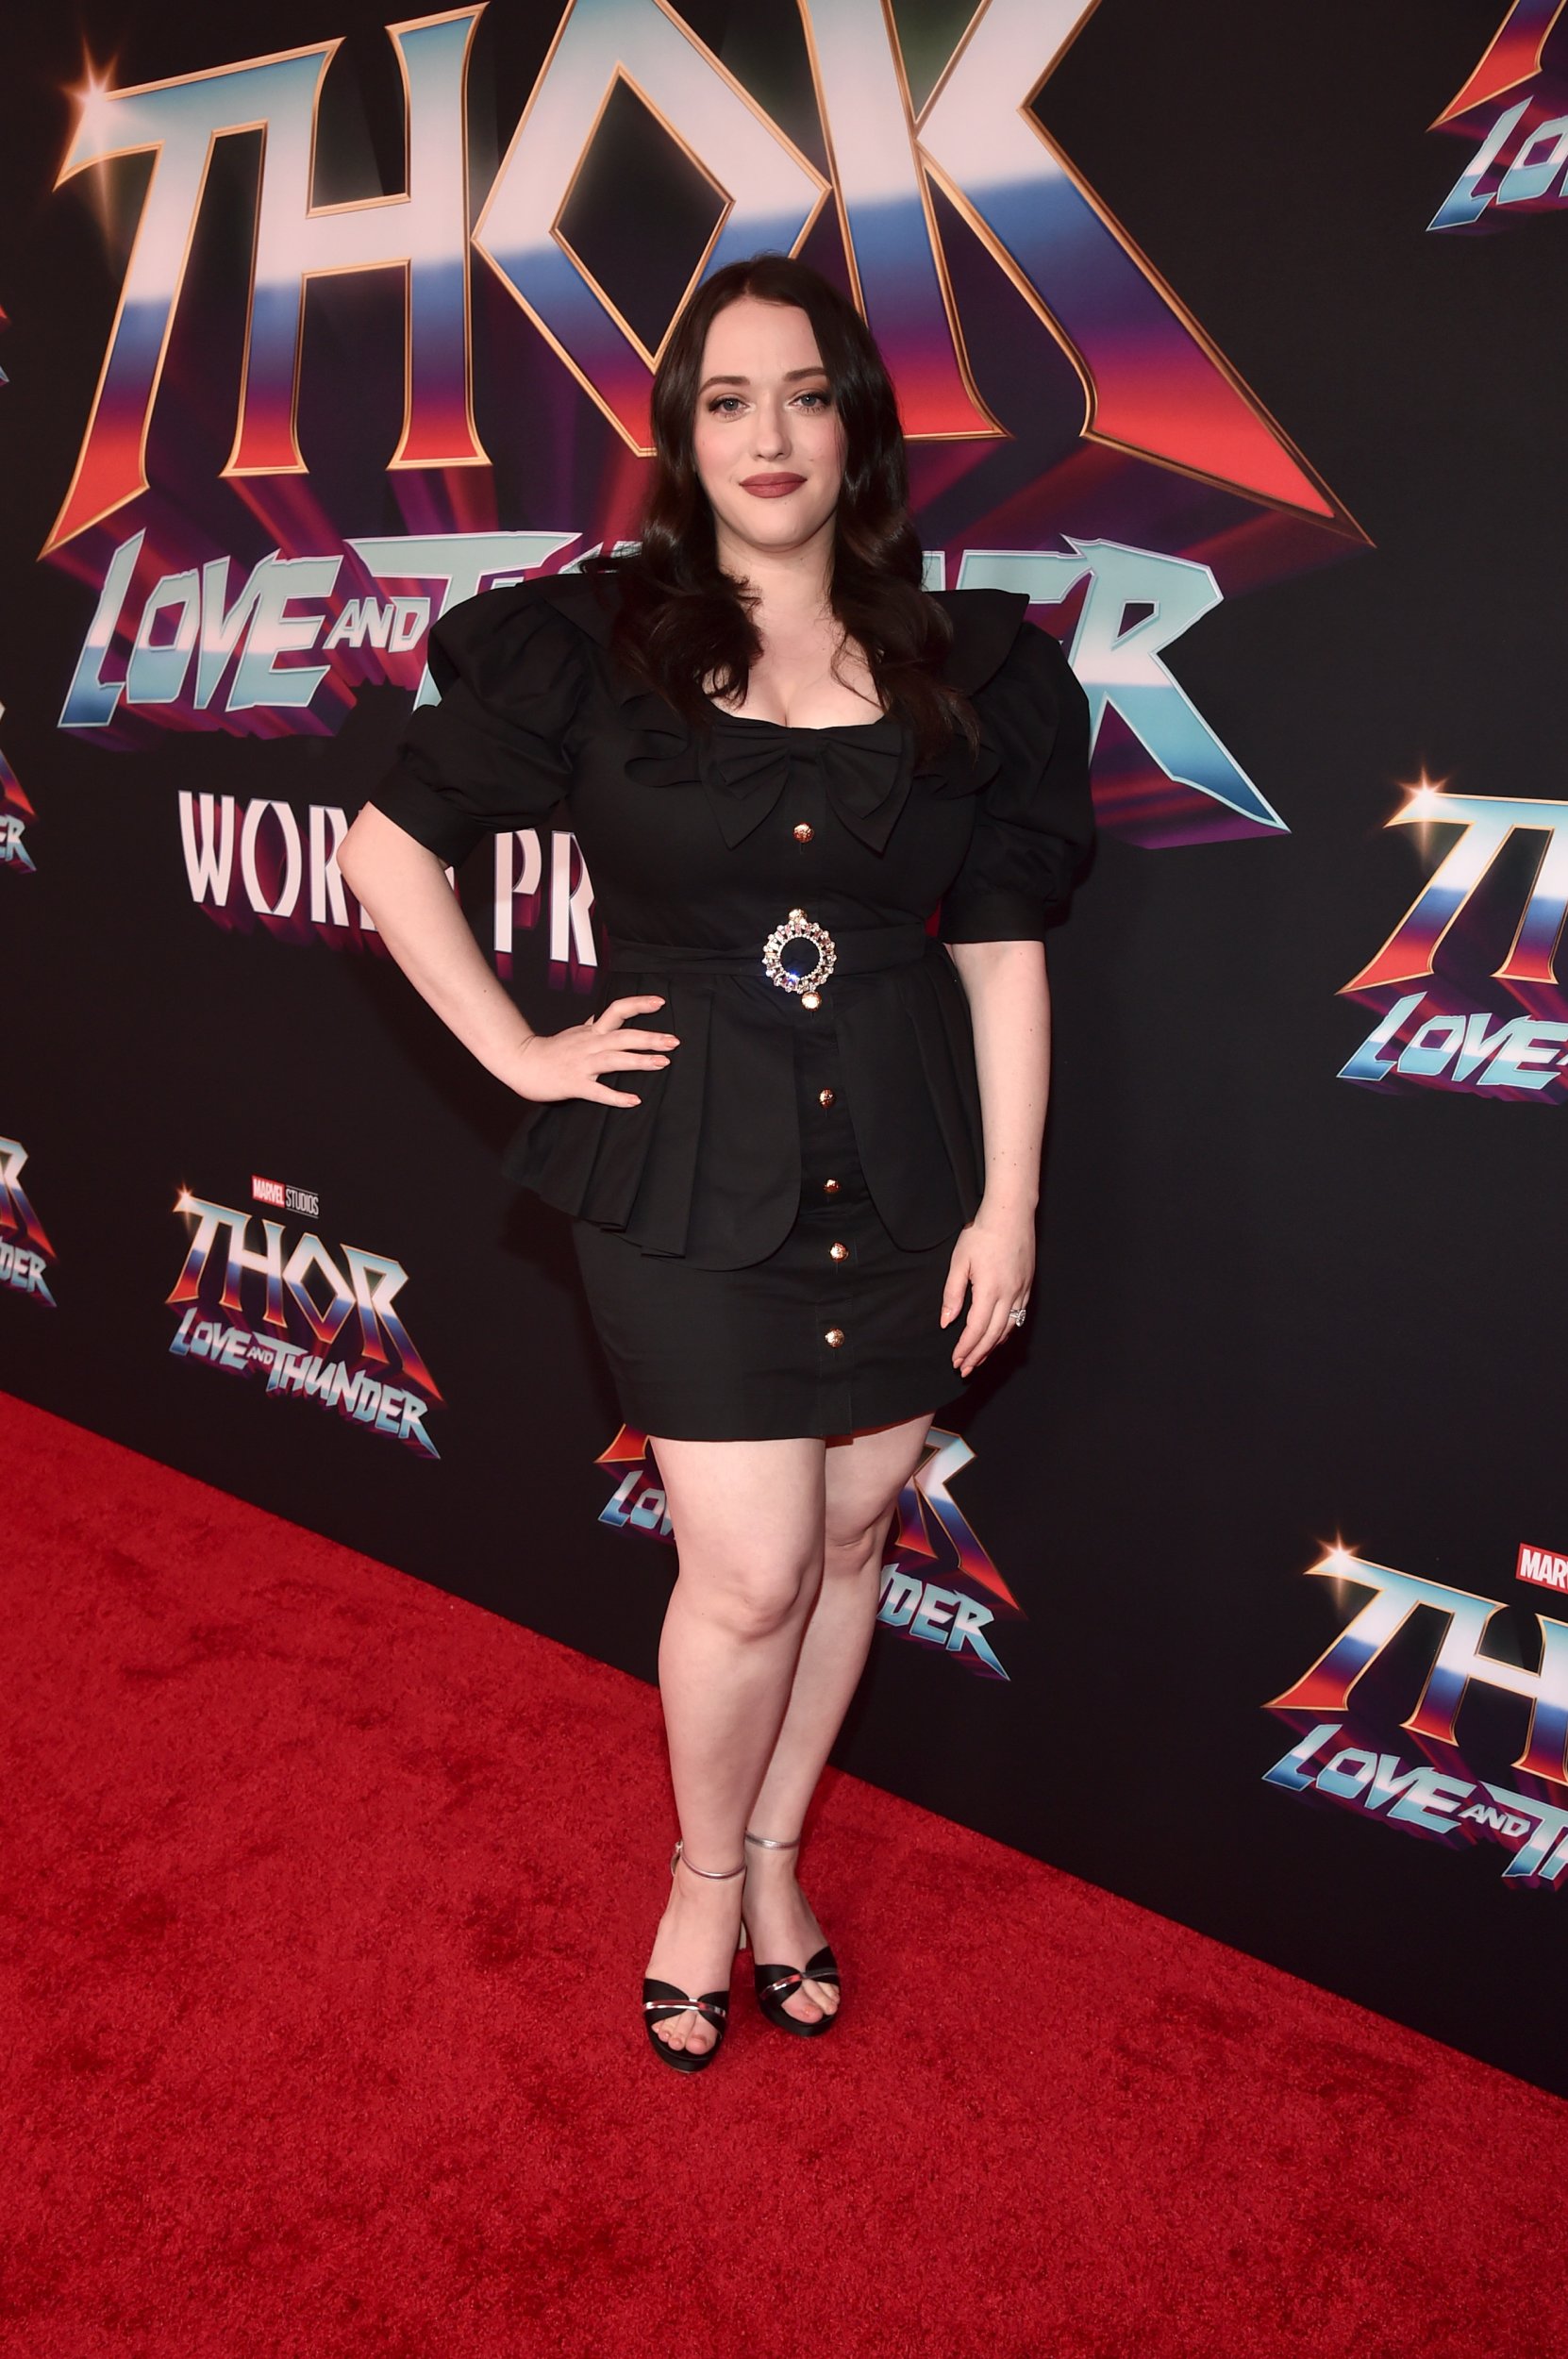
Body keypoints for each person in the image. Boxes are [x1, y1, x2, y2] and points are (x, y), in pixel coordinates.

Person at [337, 251, 1093, 2075]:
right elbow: (384, 850)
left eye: (806, 397)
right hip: (681, 1166)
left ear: (857, 431)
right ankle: (698, 1875)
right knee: (749, 1570)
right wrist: (520, 1051)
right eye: (730, 400)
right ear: (683, 435)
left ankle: (774, 1858)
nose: (770, 435)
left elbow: (1000, 951)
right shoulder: (594, 646)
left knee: (849, 1538)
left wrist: (1008, 1201)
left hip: (908, 1165)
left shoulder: (968, 668)